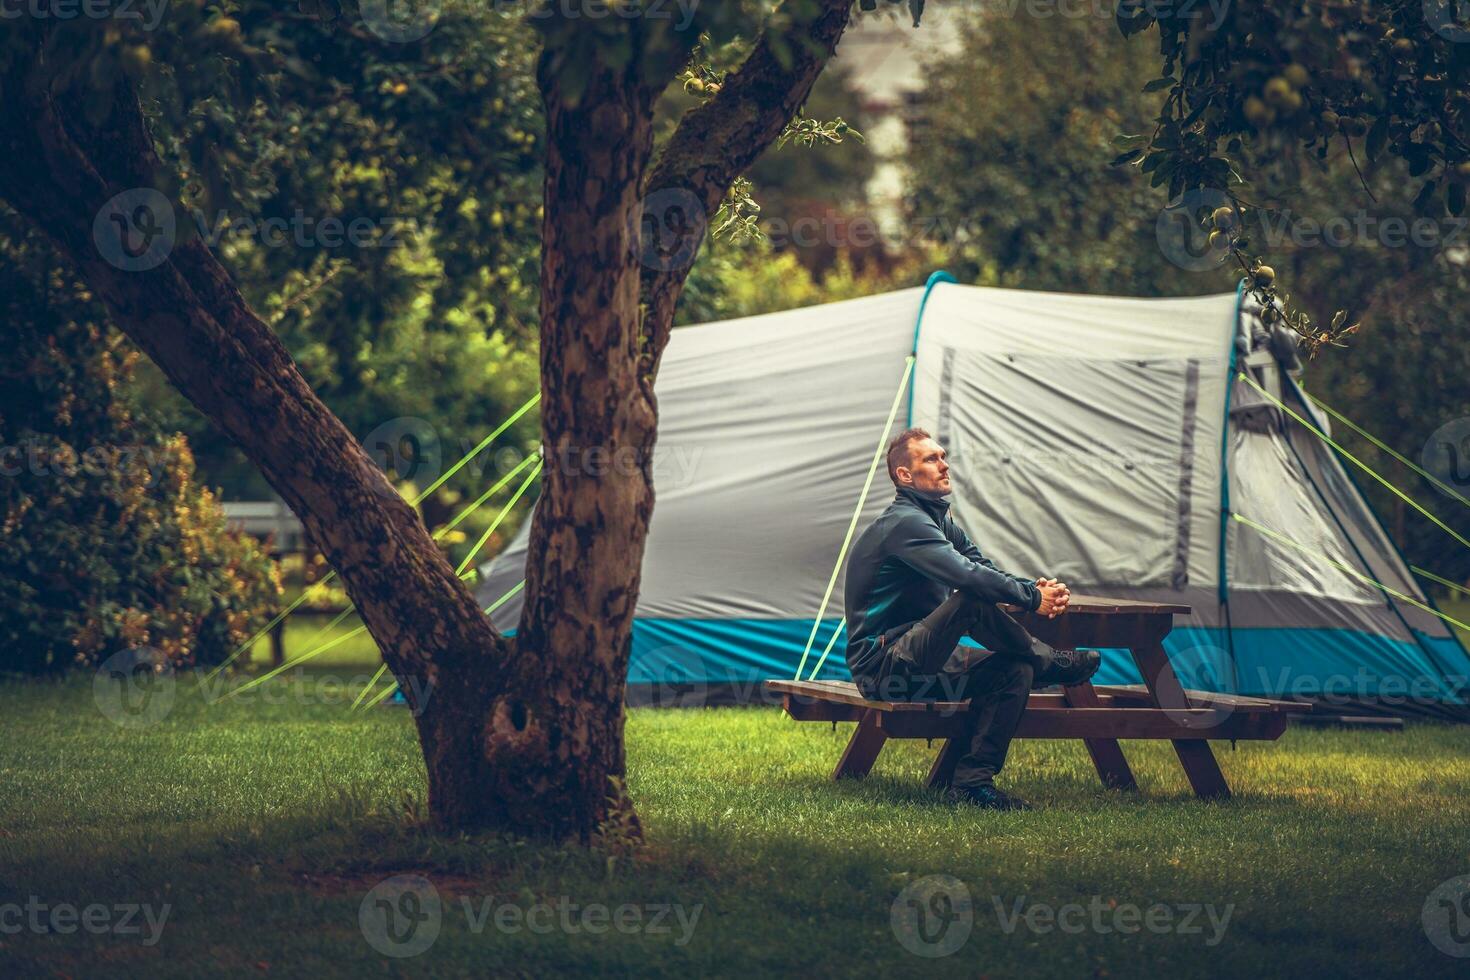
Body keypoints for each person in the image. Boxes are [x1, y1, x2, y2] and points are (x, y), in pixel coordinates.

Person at [842, 428, 1101, 811]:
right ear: (905, 476)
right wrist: (1033, 598)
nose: (944, 464)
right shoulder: (905, 523)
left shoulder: (938, 522)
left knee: (1013, 670)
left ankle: (971, 784)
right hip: (885, 668)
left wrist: (1033, 588)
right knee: (971, 600)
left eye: (943, 455)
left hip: (927, 660)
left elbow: (980, 566)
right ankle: (1047, 660)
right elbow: (968, 577)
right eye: (931, 459)